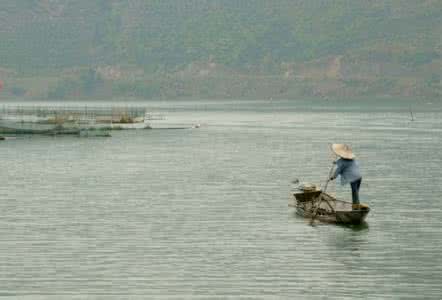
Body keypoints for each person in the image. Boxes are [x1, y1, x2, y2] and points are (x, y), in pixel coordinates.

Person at [329, 144, 365, 210]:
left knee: (354, 192)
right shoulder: (352, 159)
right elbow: (342, 161)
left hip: (353, 178)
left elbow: (338, 170)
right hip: (359, 176)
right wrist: (336, 162)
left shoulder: (343, 162)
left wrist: (332, 177)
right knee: (356, 191)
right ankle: (356, 204)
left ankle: (356, 207)